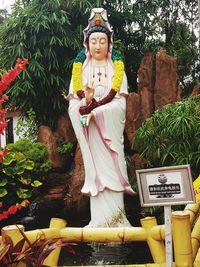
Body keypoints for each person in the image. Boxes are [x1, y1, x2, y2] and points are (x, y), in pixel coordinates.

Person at [66, 8, 135, 227]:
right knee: (96, 174)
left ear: (109, 43)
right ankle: (97, 220)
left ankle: (117, 219)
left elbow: (120, 104)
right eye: (93, 41)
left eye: (102, 41)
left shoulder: (116, 69)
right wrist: (84, 107)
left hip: (108, 133)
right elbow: (73, 104)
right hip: (91, 132)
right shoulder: (81, 69)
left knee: (112, 173)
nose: (97, 46)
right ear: (87, 44)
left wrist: (98, 112)